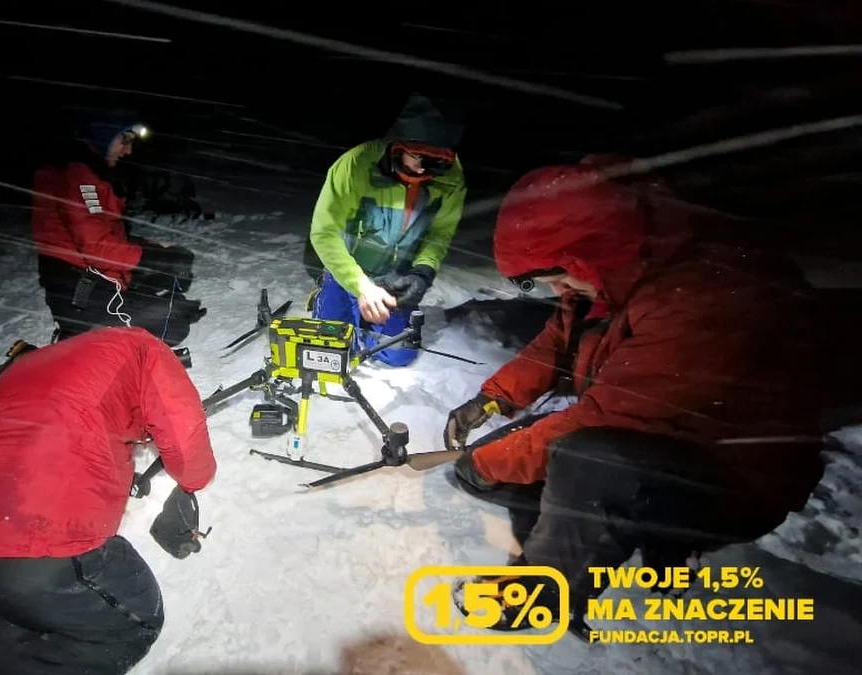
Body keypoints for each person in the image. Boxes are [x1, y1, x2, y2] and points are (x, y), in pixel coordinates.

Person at [441, 162, 826, 635]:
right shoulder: (612, 269)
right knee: (505, 465)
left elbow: (607, 420)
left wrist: (490, 462)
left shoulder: (706, 294)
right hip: (660, 441)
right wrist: (493, 398)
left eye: (559, 276)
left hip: (733, 474)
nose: (557, 290)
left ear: (589, 251)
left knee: (586, 459)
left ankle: (546, 595)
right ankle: (602, 523)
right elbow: (559, 343)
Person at [0, 327, 218, 674]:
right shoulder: (145, 351)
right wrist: (194, 481)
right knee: (131, 618)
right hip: (36, 544)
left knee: (42, 604)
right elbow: (185, 439)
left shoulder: (33, 364)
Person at [306, 93, 467, 367]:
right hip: (349, 267)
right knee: (331, 346)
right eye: (419, 157)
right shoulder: (356, 165)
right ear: (399, 145)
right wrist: (361, 286)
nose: (425, 169)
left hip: (396, 276)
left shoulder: (451, 177)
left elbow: (439, 234)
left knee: (399, 355)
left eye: (438, 161)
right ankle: (331, 291)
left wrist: (422, 271)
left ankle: (365, 320)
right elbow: (324, 233)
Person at [31, 111, 206, 347]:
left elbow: (106, 234)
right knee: (172, 325)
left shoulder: (88, 173)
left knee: (171, 292)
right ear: (103, 135)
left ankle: (107, 321)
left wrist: (157, 250)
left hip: (96, 279)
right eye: (124, 141)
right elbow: (97, 248)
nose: (128, 150)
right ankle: (82, 334)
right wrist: (152, 258)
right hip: (78, 293)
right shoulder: (77, 179)